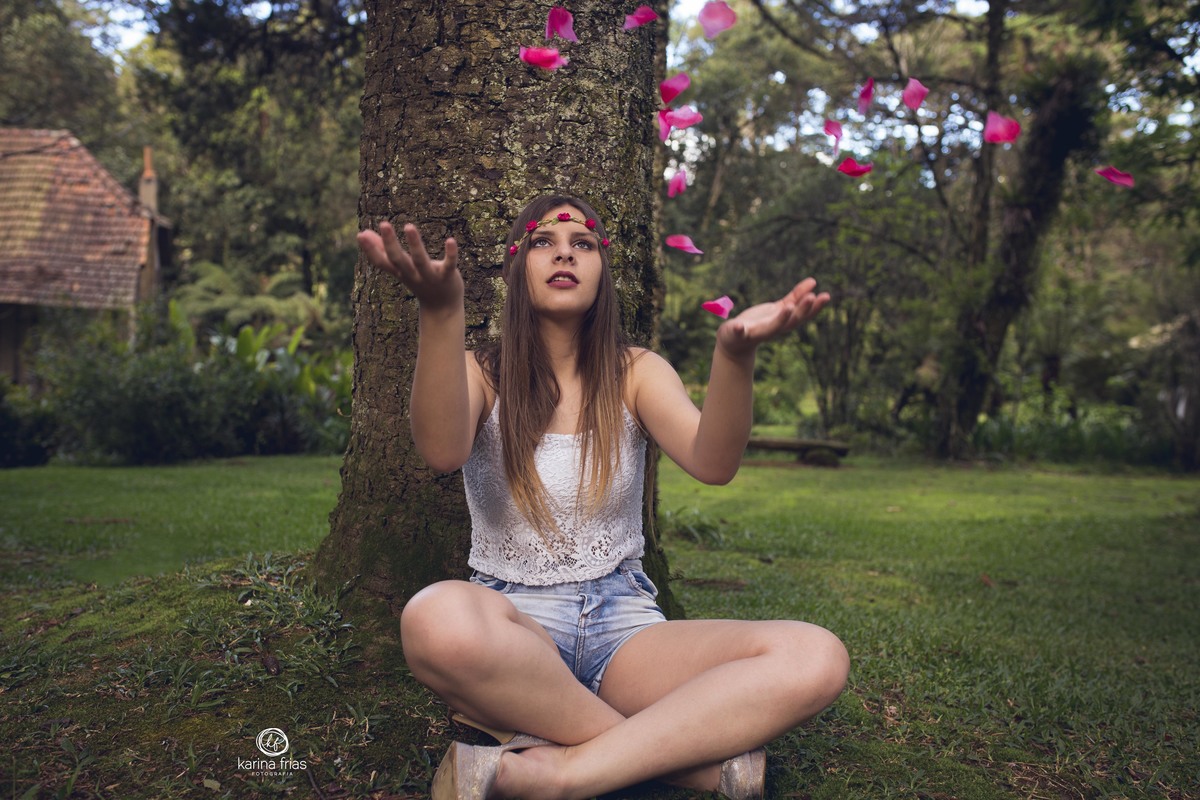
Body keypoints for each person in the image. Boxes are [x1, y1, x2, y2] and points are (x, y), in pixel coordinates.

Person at [357, 193, 848, 800]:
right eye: (543, 242)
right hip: (517, 629)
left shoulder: (636, 371)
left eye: (582, 244)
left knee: (816, 656)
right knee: (434, 619)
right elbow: (440, 450)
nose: (564, 253)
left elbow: (713, 463)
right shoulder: (481, 371)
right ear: (517, 266)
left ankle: (562, 773)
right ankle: (682, 764)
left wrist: (734, 353)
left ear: (602, 269)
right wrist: (441, 310)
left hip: (627, 633)